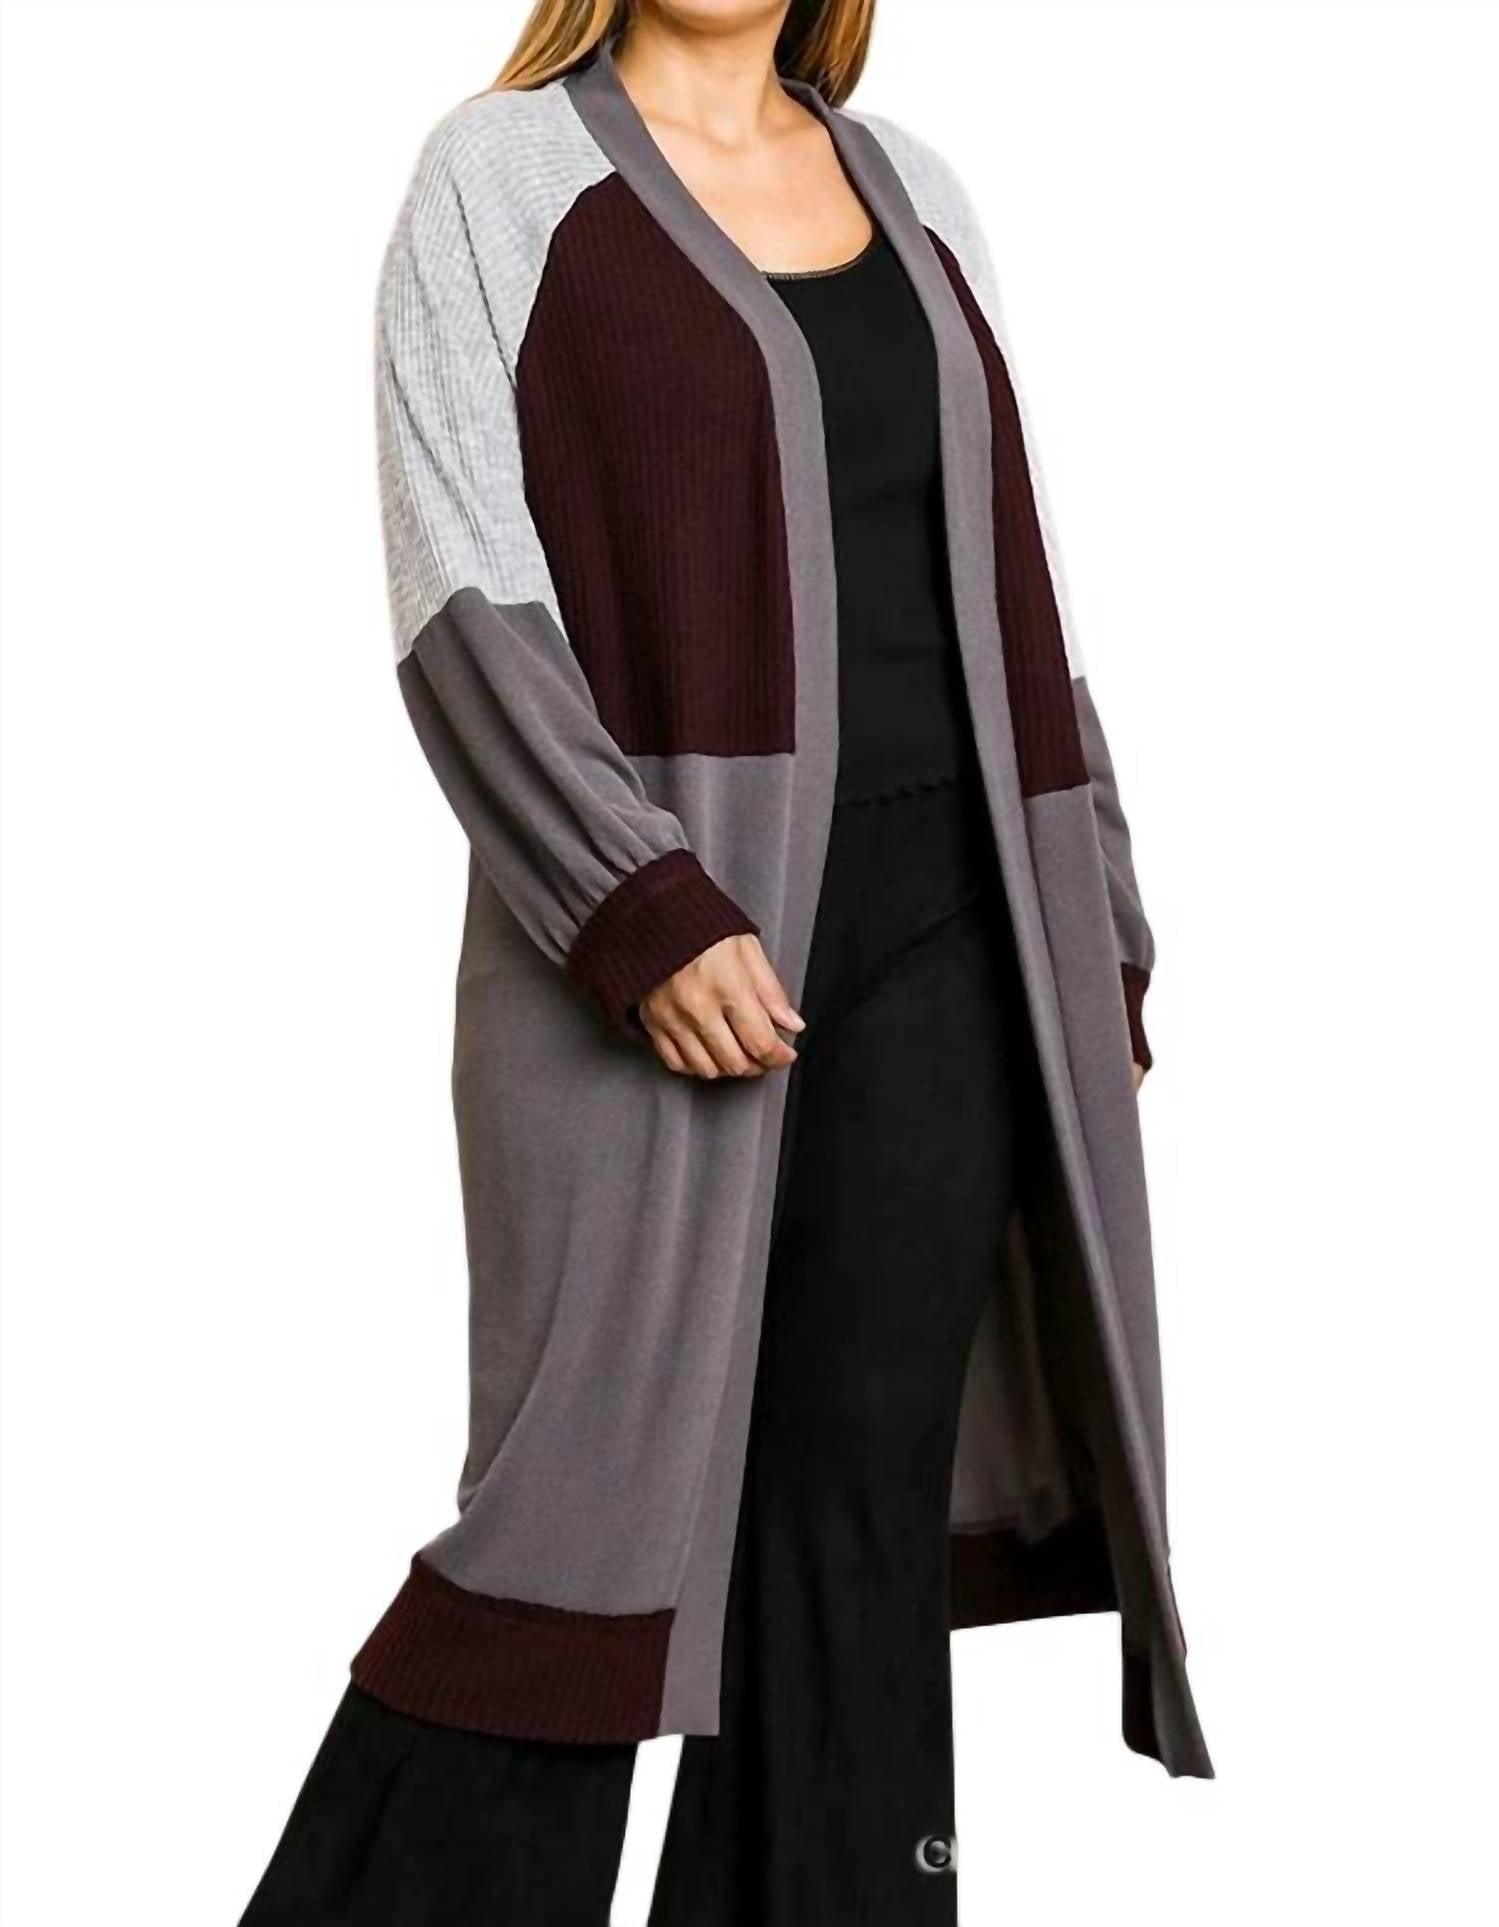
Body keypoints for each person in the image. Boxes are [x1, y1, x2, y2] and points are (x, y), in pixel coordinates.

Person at [239, 1, 1212, 1919]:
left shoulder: (914, 190)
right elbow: (459, 584)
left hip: (953, 936)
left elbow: (1017, 582)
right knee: (575, 1528)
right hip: (658, 944)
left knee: (852, 1530)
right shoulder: (502, 177)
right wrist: (639, 903)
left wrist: (1088, 918)